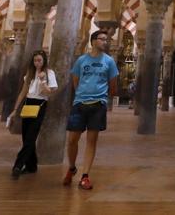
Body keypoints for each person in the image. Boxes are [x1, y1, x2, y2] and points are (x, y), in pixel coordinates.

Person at [64, 29, 119, 191]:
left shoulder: (109, 61)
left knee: (91, 141)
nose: (105, 42)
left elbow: (113, 85)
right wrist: (83, 94)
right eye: (102, 39)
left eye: (106, 40)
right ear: (93, 41)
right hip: (80, 103)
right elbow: (76, 81)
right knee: (72, 140)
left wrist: (102, 97)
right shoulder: (81, 61)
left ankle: (85, 175)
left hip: (98, 104)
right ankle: (72, 167)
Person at [10, 49, 57, 178]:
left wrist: (43, 81)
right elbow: (23, 92)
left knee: (31, 136)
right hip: (28, 104)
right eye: (35, 61)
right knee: (26, 137)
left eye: (39, 60)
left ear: (44, 61)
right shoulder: (30, 74)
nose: (37, 63)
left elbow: (49, 92)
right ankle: (32, 166)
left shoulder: (49, 73)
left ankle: (18, 165)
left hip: (40, 104)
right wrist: (15, 109)